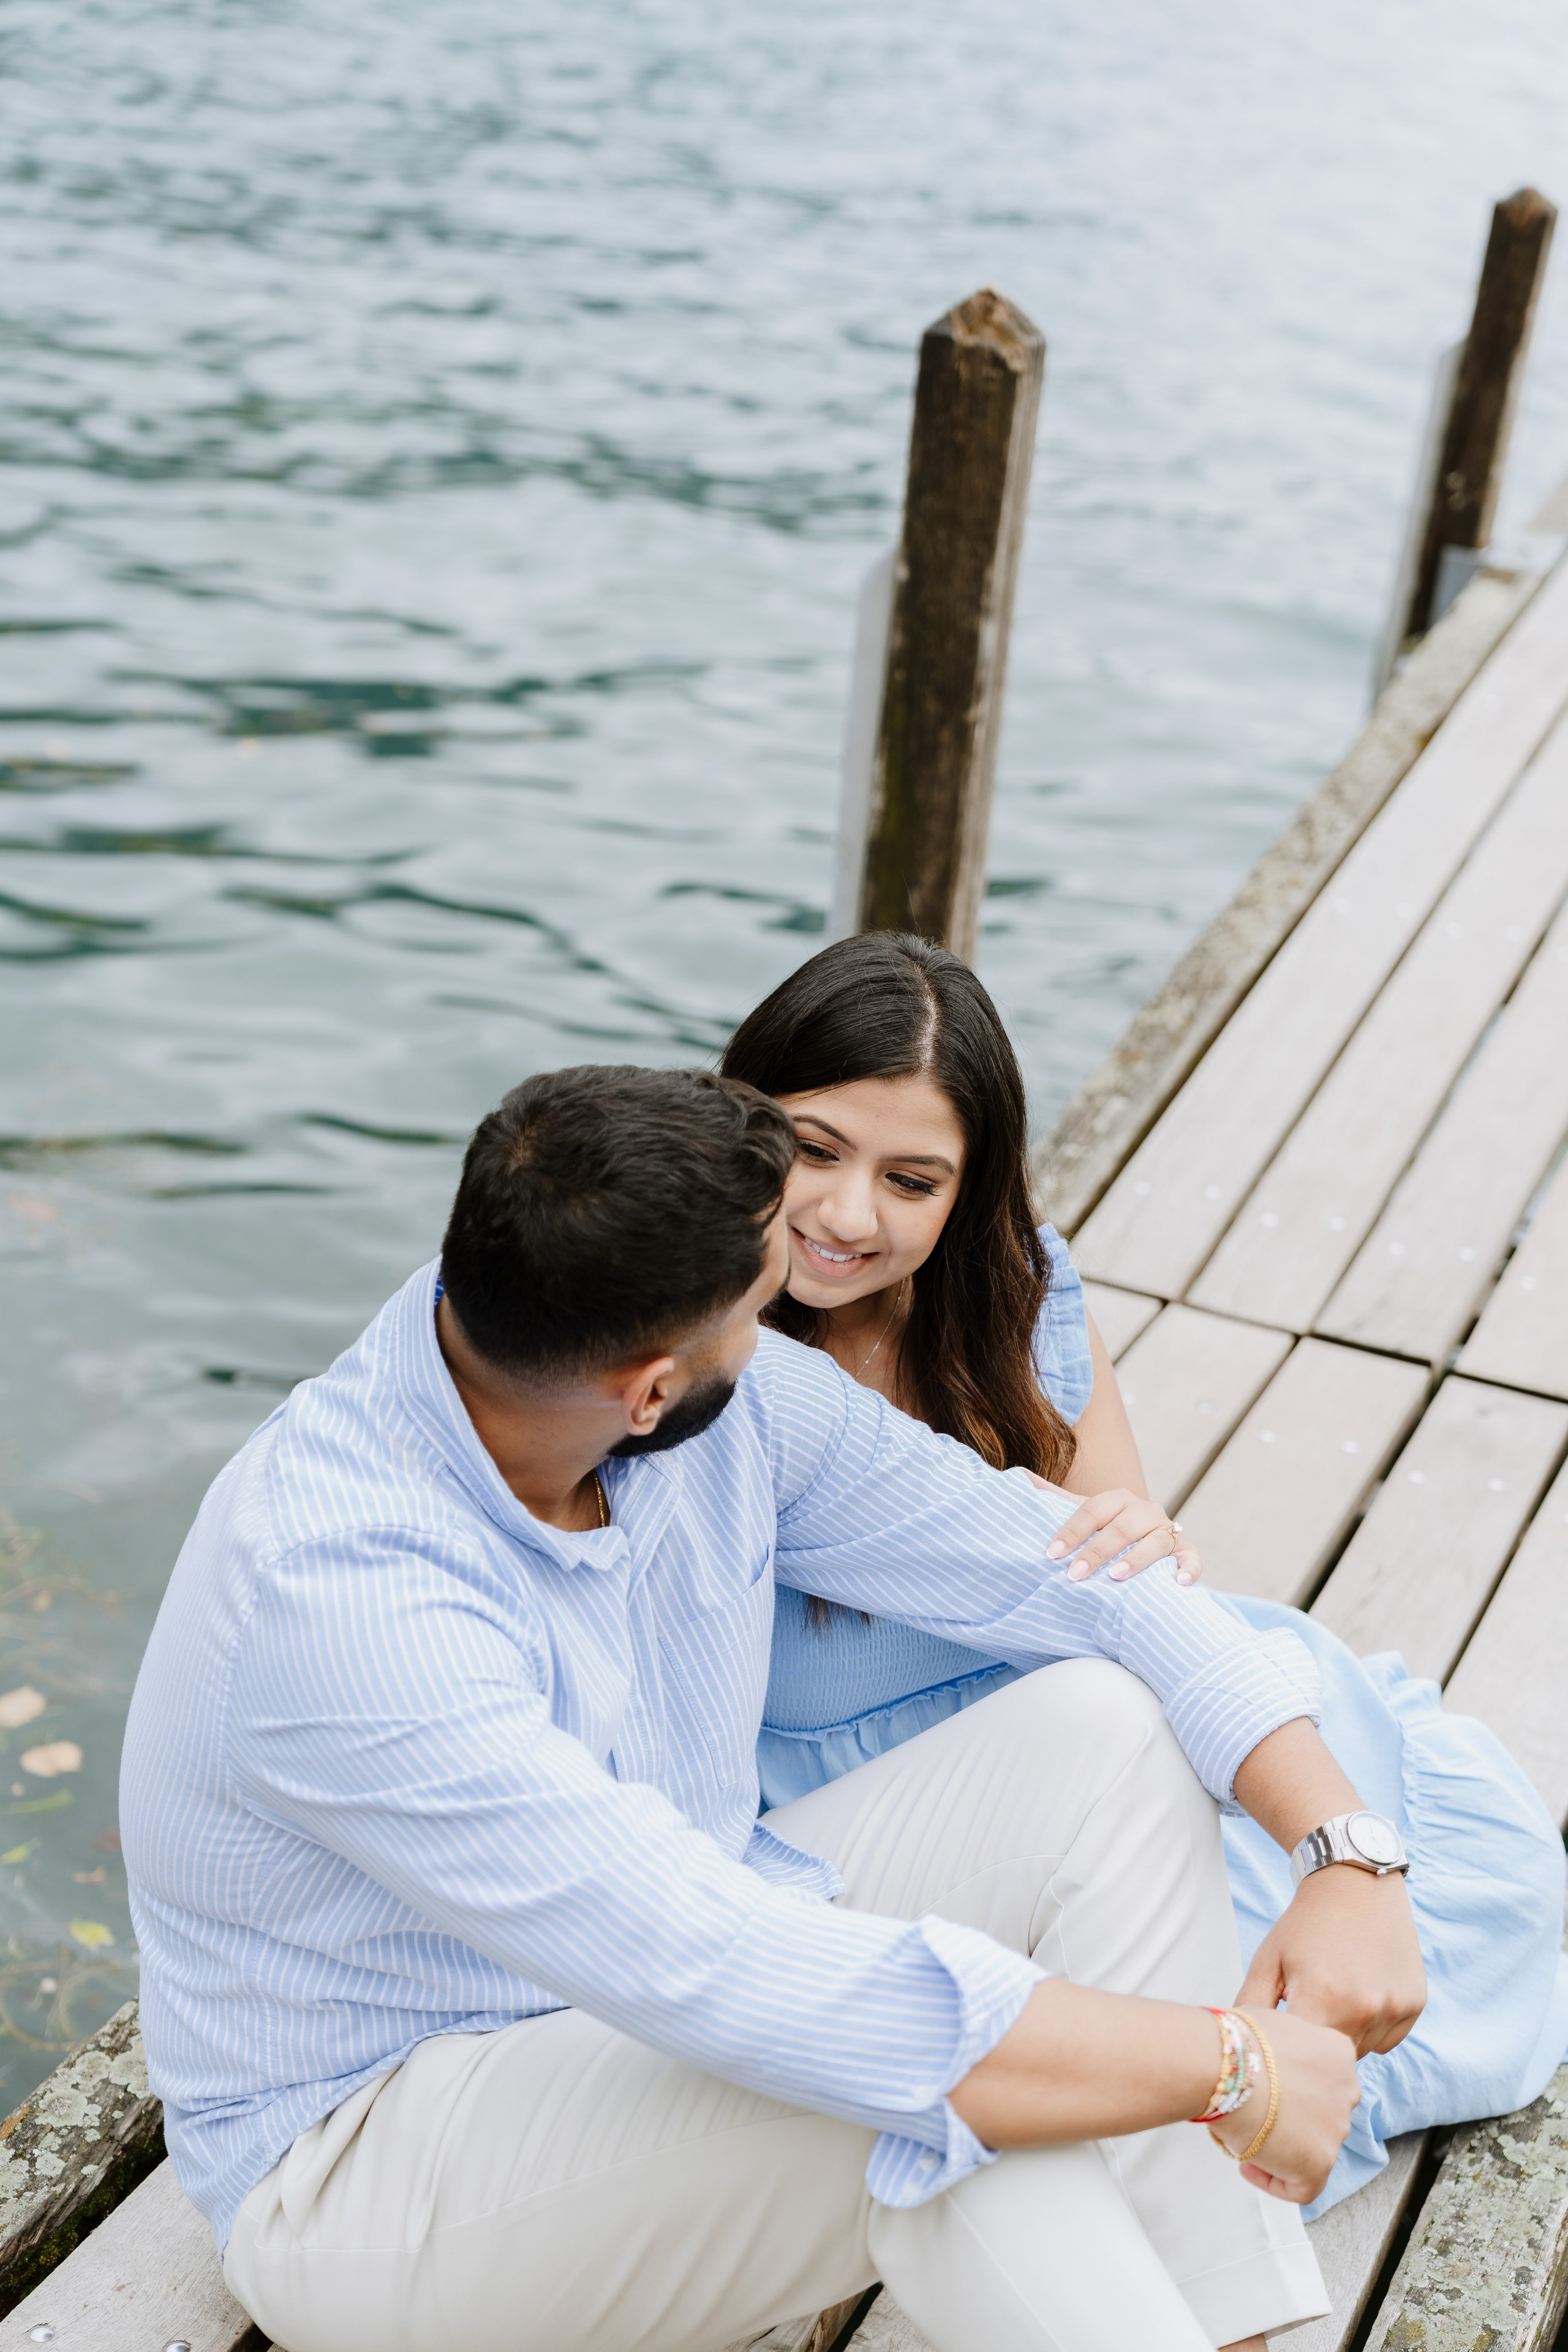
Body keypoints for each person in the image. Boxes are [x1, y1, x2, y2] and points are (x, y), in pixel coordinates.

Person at [121, 1063, 1420, 2352]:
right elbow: (723, 1972)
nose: (791, 1310)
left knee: (1098, 1728)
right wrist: (1227, 2062)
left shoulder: (630, 1384)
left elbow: (1080, 1572)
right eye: (756, 1308)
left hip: (670, 1969)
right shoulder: (343, 1599)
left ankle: (1236, 2330)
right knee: (918, 2107)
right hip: (379, 2167)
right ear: (650, 1388)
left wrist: (1344, 1853)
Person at [722, 931, 1568, 2218]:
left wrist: (1142, 1545)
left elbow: (1119, 1546)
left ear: (968, 1190)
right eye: (813, 1148)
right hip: (857, 1801)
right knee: (1128, 2083)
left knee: (1439, 1904)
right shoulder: (688, 1352)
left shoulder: (1013, 1294)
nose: (847, 1216)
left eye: (910, 1178)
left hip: (1087, 1702)